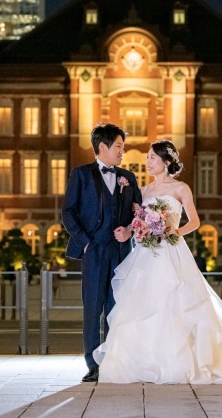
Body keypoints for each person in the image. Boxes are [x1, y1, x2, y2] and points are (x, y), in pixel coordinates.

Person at [93, 139, 222, 384]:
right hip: (146, 254)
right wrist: (132, 231)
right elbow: (136, 220)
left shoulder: (181, 188)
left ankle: (180, 362)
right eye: (148, 157)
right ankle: (144, 363)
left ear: (166, 162)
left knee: (177, 304)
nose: (147, 161)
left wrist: (174, 231)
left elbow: (194, 222)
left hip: (171, 252)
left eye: (152, 157)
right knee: (144, 305)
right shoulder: (143, 191)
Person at [62, 123, 142, 383]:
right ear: (103, 147)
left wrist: (129, 230)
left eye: (122, 146)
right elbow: (68, 212)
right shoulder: (81, 175)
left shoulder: (128, 178)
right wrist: (85, 242)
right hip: (94, 251)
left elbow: (139, 213)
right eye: (119, 146)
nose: (123, 151)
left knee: (116, 309)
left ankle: (114, 361)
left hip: (121, 251)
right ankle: (93, 364)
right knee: (93, 308)